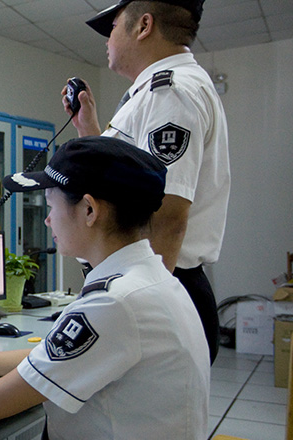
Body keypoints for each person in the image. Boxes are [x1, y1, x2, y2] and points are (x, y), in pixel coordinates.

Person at [0, 136, 210, 439]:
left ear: (89, 210)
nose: (47, 221)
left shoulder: (114, 303)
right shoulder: (151, 280)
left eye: (51, 207)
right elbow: (43, 357)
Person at [63, 0, 229, 364]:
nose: (107, 40)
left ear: (144, 26)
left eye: (113, 28)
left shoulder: (171, 92)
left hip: (158, 288)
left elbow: (167, 216)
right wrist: (89, 131)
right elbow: (132, 187)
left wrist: (138, 307)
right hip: (149, 285)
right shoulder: (151, 94)